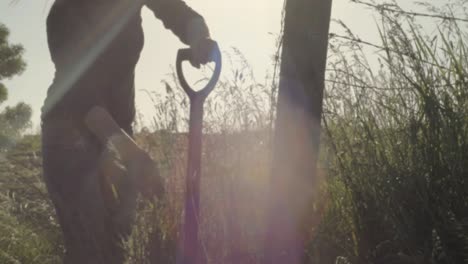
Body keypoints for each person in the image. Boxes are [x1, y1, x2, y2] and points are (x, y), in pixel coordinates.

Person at [41, 0, 217, 263]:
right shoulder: (65, 12)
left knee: (119, 245)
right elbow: (82, 98)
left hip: (118, 130)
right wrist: (134, 157)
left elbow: (180, 14)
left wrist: (200, 38)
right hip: (71, 136)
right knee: (90, 251)